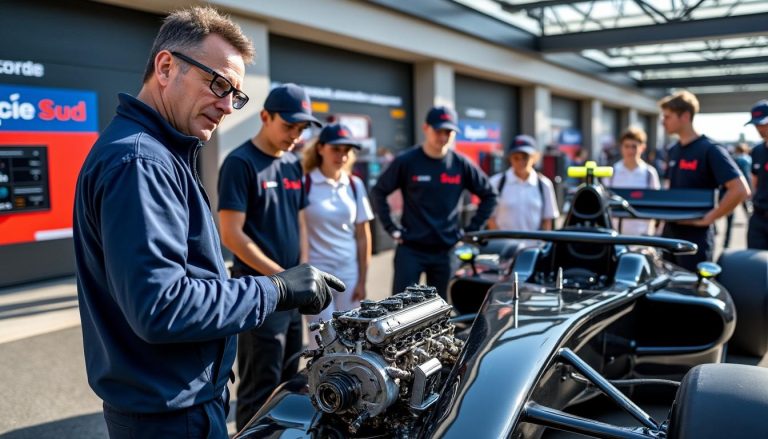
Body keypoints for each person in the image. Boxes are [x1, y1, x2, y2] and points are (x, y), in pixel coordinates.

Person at [72, 8, 341, 439]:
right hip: (168, 414)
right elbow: (162, 306)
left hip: (177, 400)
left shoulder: (162, 152)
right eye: (218, 84)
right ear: (166, 67)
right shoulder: (141, 161)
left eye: (236, 95)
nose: (226, 106)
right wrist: (275, 288)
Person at [217, 83, 322, 429]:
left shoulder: (293, 165)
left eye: (302, 128)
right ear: (265, 116)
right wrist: (283, 279)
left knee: (291, 383)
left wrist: (303, 274)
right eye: (288, 126)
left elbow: (300, 222)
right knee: (258, 387)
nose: (295, 135)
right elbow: (231, 233)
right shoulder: (240, 163)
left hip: (290, 294)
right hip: (259, 294)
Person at [370, 105, 497, 299]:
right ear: (426, 128)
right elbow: (378, 192)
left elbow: (490, 195)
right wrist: (391, 228)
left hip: (445, 252)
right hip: (411, 249)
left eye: (449, 132)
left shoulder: (460, 164)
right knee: (397, 312)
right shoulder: (407, 161)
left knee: (440, 312)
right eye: (439, 130)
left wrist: (470, 231)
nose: (444, 137)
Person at [659, 90, 750, 270]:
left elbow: (740, 189)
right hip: (670, 233)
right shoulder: (674, 150)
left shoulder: (710, 149)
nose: (663, 121)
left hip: (695, 237)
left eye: (668, 117)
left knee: (694, 290)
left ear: (685, 116)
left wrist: (710, 218)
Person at [302, 123, 375, 333]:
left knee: (351, 339)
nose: (342, 156)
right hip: (317, 277)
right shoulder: (305, 182)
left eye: (346, 151)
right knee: (322, 340)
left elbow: (363, 236)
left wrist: (362, 280)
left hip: (349, 276)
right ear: (320, 148)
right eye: (336, 149)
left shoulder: (354, 184)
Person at [487, 134, 559, 247]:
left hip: (534, 250)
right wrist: (501, 242)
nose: (521, 162)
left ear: (534, 158)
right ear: (510, 158)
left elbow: (547, 221)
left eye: (525, 157)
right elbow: (490, 218)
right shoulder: (496, 182)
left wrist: (543, 246)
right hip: (503, 250)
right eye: (516, 157)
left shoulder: (544, 184)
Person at [603, 127, 661, 236]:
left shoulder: (650, 173)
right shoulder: (612, 172)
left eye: (634, 146)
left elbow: (656, 204)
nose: (630, 150)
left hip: (643, 237)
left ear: (642, 148)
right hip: (615, 235)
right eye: (627, 146)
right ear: (621, 148)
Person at [723, 142, 753, 248]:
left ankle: (726, 243)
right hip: (744, 188)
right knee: (749, 214)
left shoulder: (736, 159)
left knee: (730, 217)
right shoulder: (748, 159)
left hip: (736, 189)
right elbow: (748, 176)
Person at [748, 100, 768, 249]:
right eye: (756, 124)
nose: (759, 128)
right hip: (758, 218)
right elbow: (754, 180)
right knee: (755, 265)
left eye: (762, 123)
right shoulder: (757, 151)